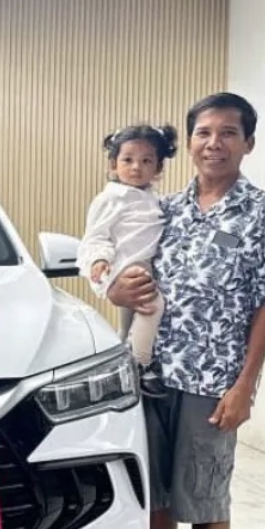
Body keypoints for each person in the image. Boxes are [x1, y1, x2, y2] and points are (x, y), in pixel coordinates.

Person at [109, 92, 265, 529]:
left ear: (248, 143)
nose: (214, 143)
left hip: (213, 382)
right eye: (203, 133)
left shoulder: (263, 213)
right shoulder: (161, 209)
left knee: (205, 496)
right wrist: (115, 288)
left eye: (228, 133)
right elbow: (123, 274)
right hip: (151, 376)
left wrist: (245, 386)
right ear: (190, 142)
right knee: (156, 495)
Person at [77, 123, 179, 395]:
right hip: (125, 266)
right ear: (114, 164)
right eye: (128, 160)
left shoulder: (152, 199)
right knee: (152, 305)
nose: (136, 167)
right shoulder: (111, 198)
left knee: (129, 322)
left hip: (144, 264)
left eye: (146, 161)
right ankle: (140, 364)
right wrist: (99, 259)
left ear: (158, 168)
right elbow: (96, 235)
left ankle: (121, 359)